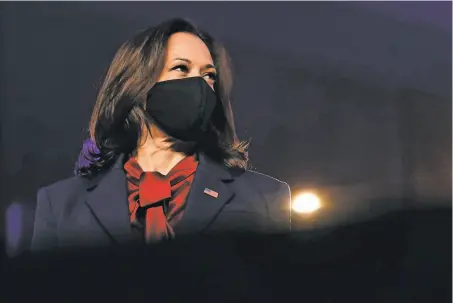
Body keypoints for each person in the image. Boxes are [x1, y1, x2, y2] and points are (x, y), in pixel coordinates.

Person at [31, 18, 291, 251]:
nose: (200, 85)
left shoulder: (265, 198)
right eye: (181, 68)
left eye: (209, 75)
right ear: (137, 84)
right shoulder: (60, 205)